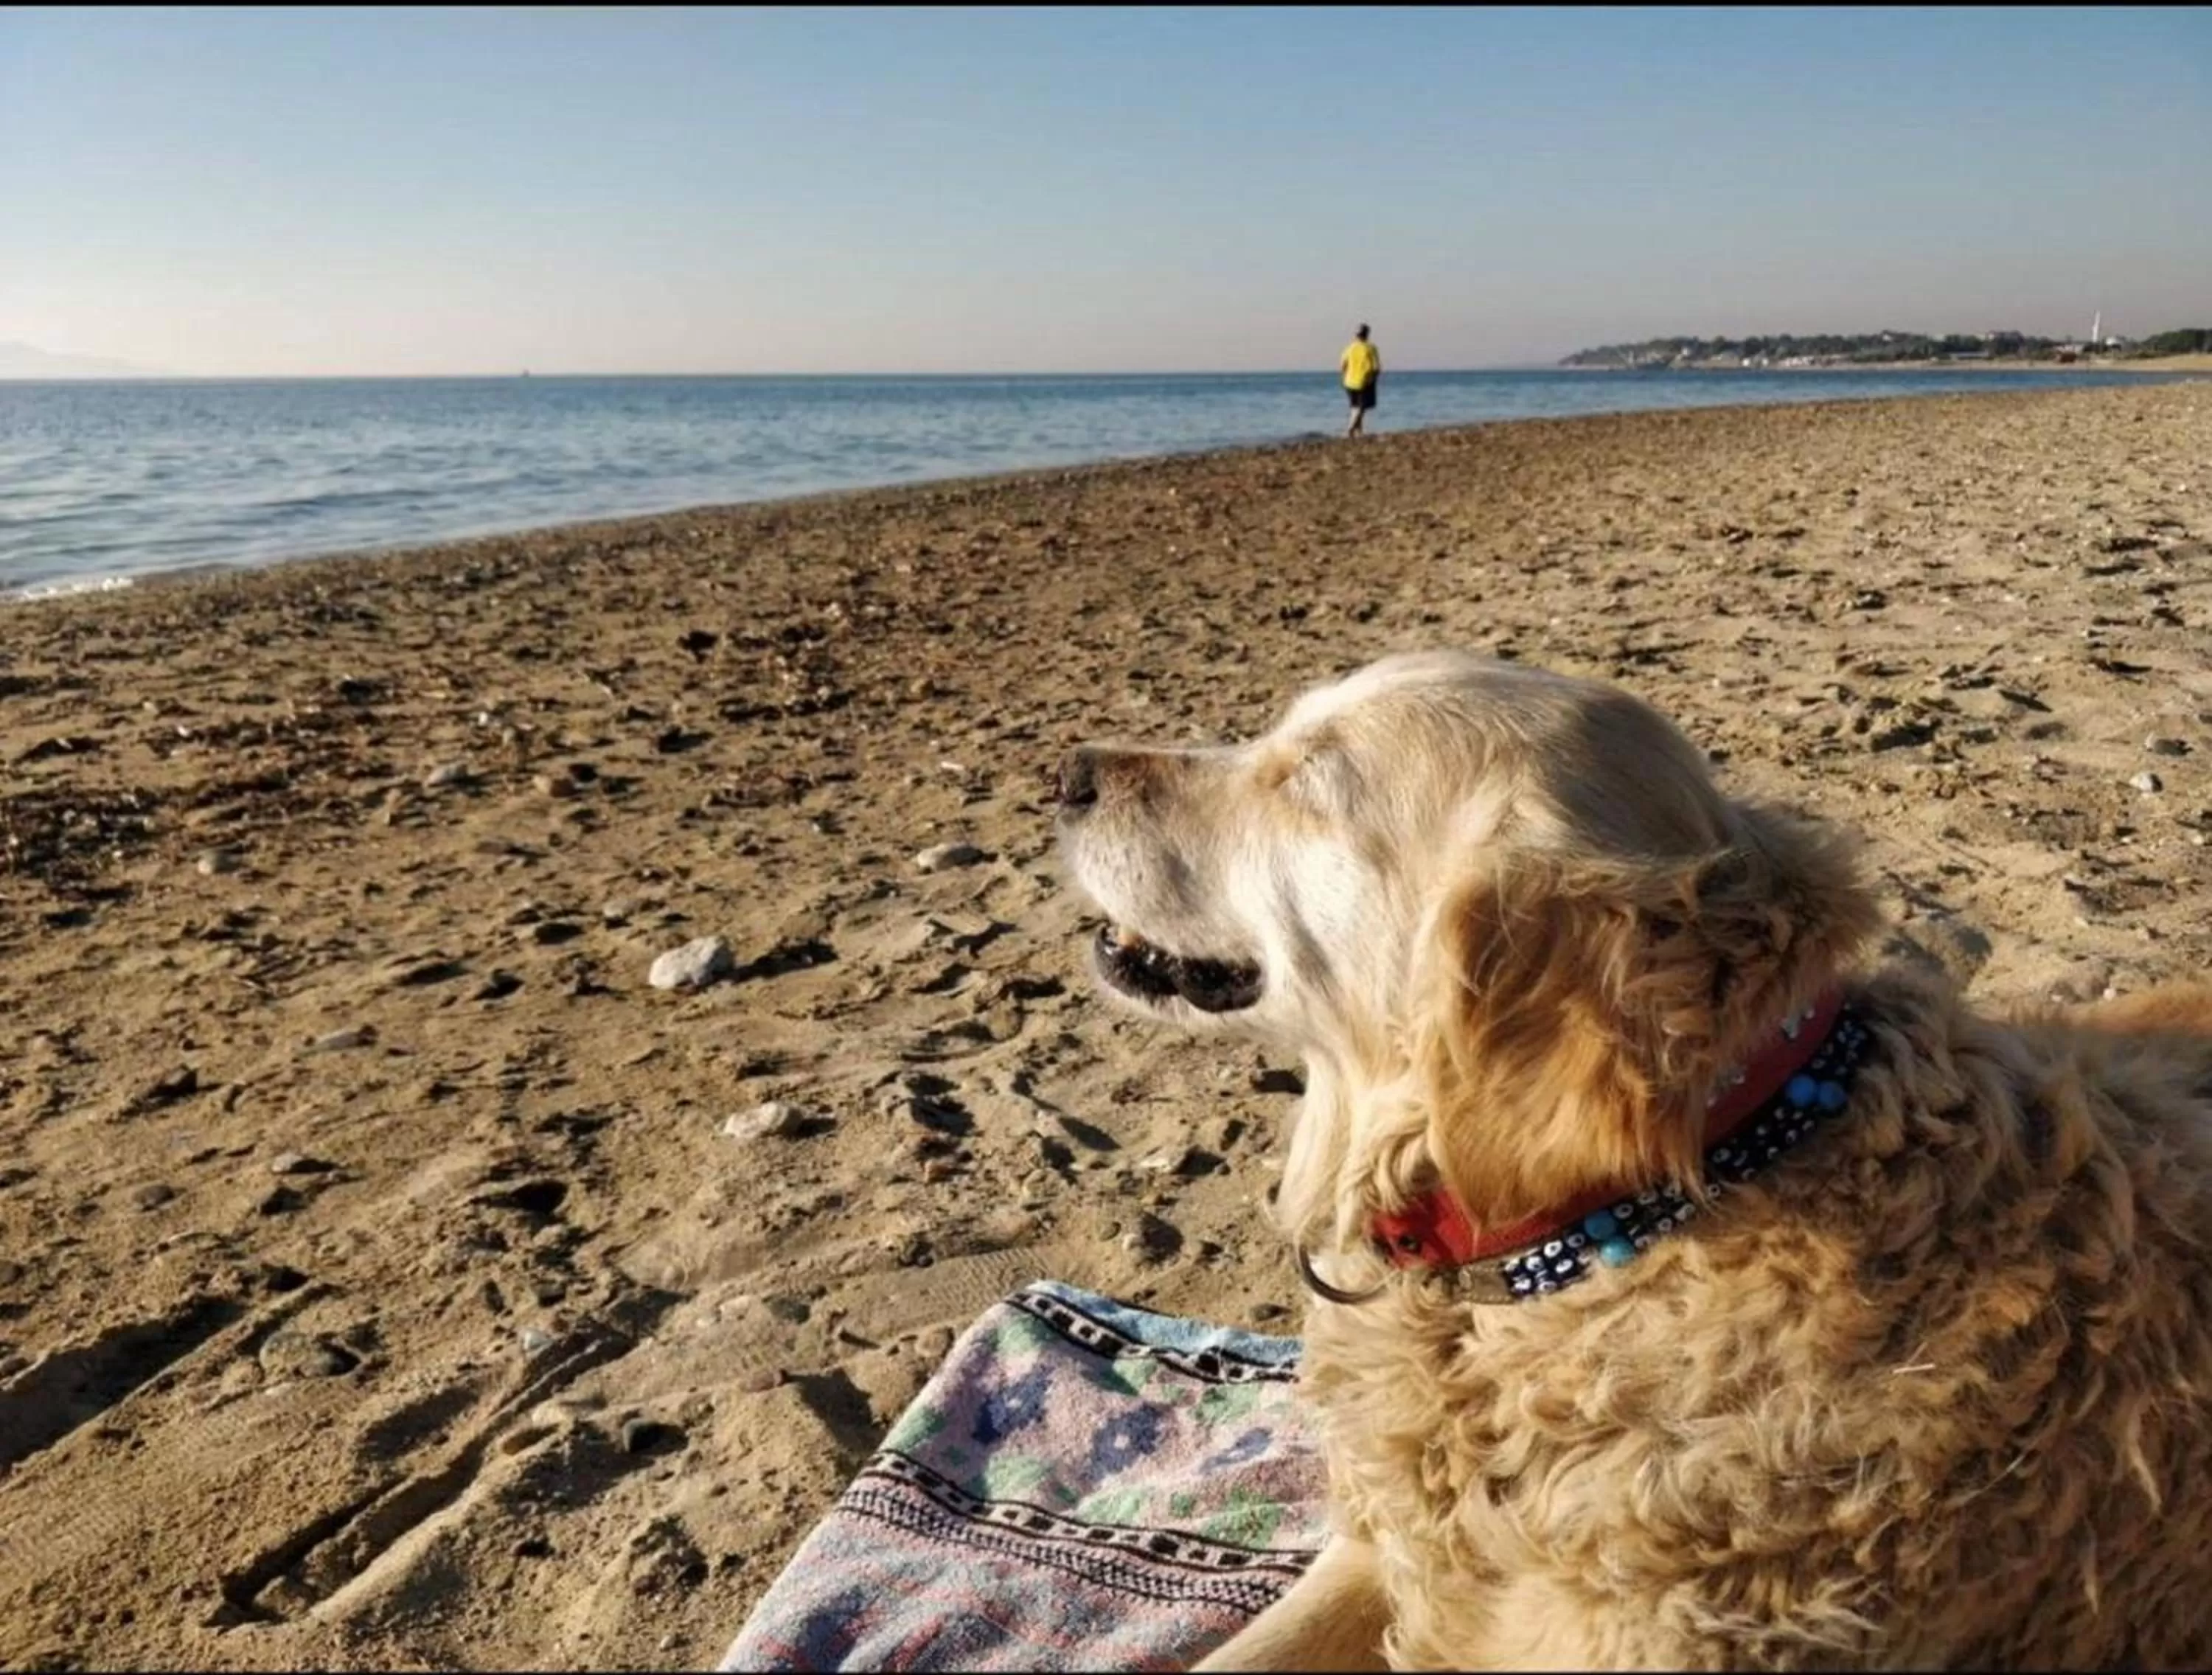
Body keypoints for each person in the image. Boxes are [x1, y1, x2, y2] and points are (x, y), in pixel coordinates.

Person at [1340, 324, 1380, 437]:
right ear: (1367, 334)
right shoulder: (1370, 348)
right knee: (1361, 408)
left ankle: (1359, 431)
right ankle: (1350, 428)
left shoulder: (1349, 348)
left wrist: (1344, 378)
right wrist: (1374, 380)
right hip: (1364, 380)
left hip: (1349, 381)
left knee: (1355, 406)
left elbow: (1343, 365)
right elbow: (1376, 367)